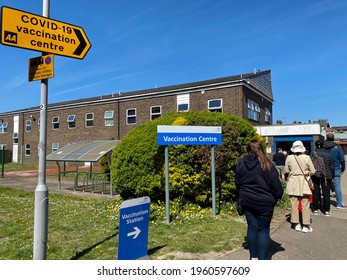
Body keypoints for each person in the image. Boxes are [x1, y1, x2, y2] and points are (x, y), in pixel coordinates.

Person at [235, 140, 283, 260]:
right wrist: (277, 197)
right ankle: (262, 259)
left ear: (248, 149)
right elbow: (276, 186)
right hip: (265, 202)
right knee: (263, 230)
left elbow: (237, 182)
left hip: (247, 200)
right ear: (260, 149)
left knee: (252, 227)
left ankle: (253, 256)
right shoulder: (267, 164)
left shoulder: (241, 163)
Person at [284, 140, 315, 233]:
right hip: (304, 181)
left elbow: (286, 170)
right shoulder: (307, 157)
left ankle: (296, 224)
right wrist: (306, 173)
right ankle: (305, 225)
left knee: (294, 204)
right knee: (305, 204)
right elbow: (313, 171)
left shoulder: (289, 157)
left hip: (293, 181)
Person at [324, 133, 346, 209]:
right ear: (333, 139)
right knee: (337, 186)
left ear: (326, 138)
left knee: (325, 186)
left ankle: (325, 203)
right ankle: (339, 203)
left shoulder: (324, 147)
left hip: (326, 169)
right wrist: (343, 168)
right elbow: (342, 159)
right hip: (336, 169)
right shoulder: (338, 147)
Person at [313, 140, 335, 216]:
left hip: (315, 174)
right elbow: (332, 166)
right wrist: (332, 176)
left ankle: (316, 209)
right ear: (323, 146)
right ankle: (326, 210)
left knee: (315, 191)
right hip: (326, 175)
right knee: (326, 193)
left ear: (315, 145)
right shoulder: (328, 154)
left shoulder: (313, 154)